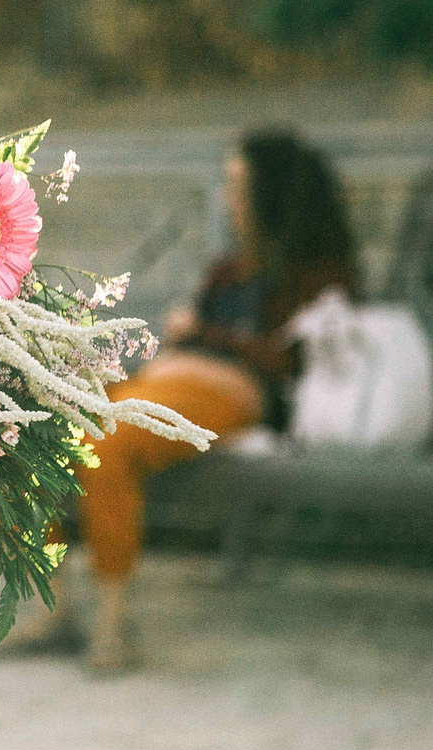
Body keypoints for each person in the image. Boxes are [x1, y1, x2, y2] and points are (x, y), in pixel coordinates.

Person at [37, 127, 358, 672]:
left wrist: (203, 335)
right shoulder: (227, 270)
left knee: (105, 441)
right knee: (40, 425)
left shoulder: (315, 274)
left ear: (270, 194)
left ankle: (113, 624)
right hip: (167, 379)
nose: (228, 197)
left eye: (238, 184)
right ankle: (53, 605)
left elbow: (289, 358)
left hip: (231, 394)